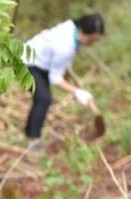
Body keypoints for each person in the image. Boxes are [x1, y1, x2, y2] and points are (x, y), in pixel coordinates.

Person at [22, 13, 104, 153]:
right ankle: (33, 142)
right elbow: (55, 78)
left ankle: (29, 132)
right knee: (43, 99)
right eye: (91, 40)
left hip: (41, 61)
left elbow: (62, 64)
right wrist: (77, 91)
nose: (92, 44)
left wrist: (74, 82)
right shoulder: (65, 46)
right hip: (29, 63)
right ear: (83, 32)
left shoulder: (72, 27)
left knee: (41, 99)